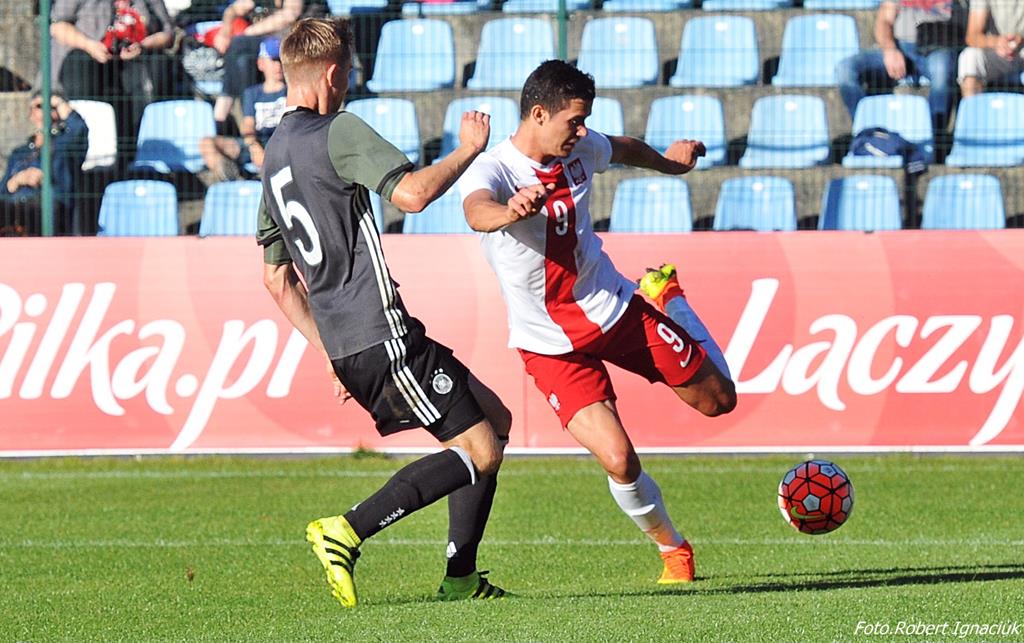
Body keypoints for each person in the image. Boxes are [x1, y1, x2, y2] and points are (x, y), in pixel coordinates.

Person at [257, 17, 511, 607]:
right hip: (380, 332)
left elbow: (276, 279)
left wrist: (328, 353)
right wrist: (468, 150)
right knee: (480, 450)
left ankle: (461, 577)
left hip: (352, 343)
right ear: (332, 74)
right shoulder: (338, 130)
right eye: (348, 74)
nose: (348, 85)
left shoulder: (272, 159)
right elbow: (413, 194)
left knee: (494, 419)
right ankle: (347, 530)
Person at [458, 60, 736, 585]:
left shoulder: (581, 147)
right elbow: (476, 211)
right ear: (539, 114)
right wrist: (510, 212)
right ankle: (674, 551)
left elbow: (624, 147)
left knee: (720, 402)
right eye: (575, 121)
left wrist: (671, 164)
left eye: (585, 121)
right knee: (619, 459)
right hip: (548, 343)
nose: (582, 131)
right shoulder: (493, 170)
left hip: (614, 308)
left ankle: (670, 300)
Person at [50, 0, 182, 159]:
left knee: (158, 67)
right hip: (91, 60)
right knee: (79, 66)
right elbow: (57, 26)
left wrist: (143, 45)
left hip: (136, 61)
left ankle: (140, 152)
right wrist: (90, 46)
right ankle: (90, 151)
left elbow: (168, 33)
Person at [835, 0, 967, 133]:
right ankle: (868, 132)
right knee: (845, 69)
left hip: (938, 47)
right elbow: (884, 21)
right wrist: (890, 49)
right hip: (901, 47)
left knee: (941, 74)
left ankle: (933, 137)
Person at [212, 0, 325, 129]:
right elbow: (232, 9)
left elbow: (290, 14)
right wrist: (225, 31)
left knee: (239, 44)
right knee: (243, 61)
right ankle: (248, 121)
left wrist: (248, 32)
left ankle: (225, 104)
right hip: (261, 45)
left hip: (295, 41)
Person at [198, 37, 287, 183]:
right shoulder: (252, 93)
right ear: (261, 64)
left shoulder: (292, 90)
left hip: (283, 146)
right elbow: (248, 125)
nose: (278, 65)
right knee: (207, 143)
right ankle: (232, 182)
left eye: (281, 60)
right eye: (273, 60)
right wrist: (254, 147)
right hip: (256, 143)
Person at [1, 92, 89, 236]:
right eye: (40, 106)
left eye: (51, 107)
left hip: (49, 214)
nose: (45, 112)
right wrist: (16, 180)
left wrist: (60, 104)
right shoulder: (20, 153)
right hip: (15, 213)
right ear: (31, 113)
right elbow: (3, 191)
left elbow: (79, 130)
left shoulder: (65, 145)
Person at [958, 0, 1024, 97]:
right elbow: (972, 36)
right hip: (997, 54)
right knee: (969, 57)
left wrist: (1021, 39)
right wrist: (997, 42)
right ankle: (973, 104)